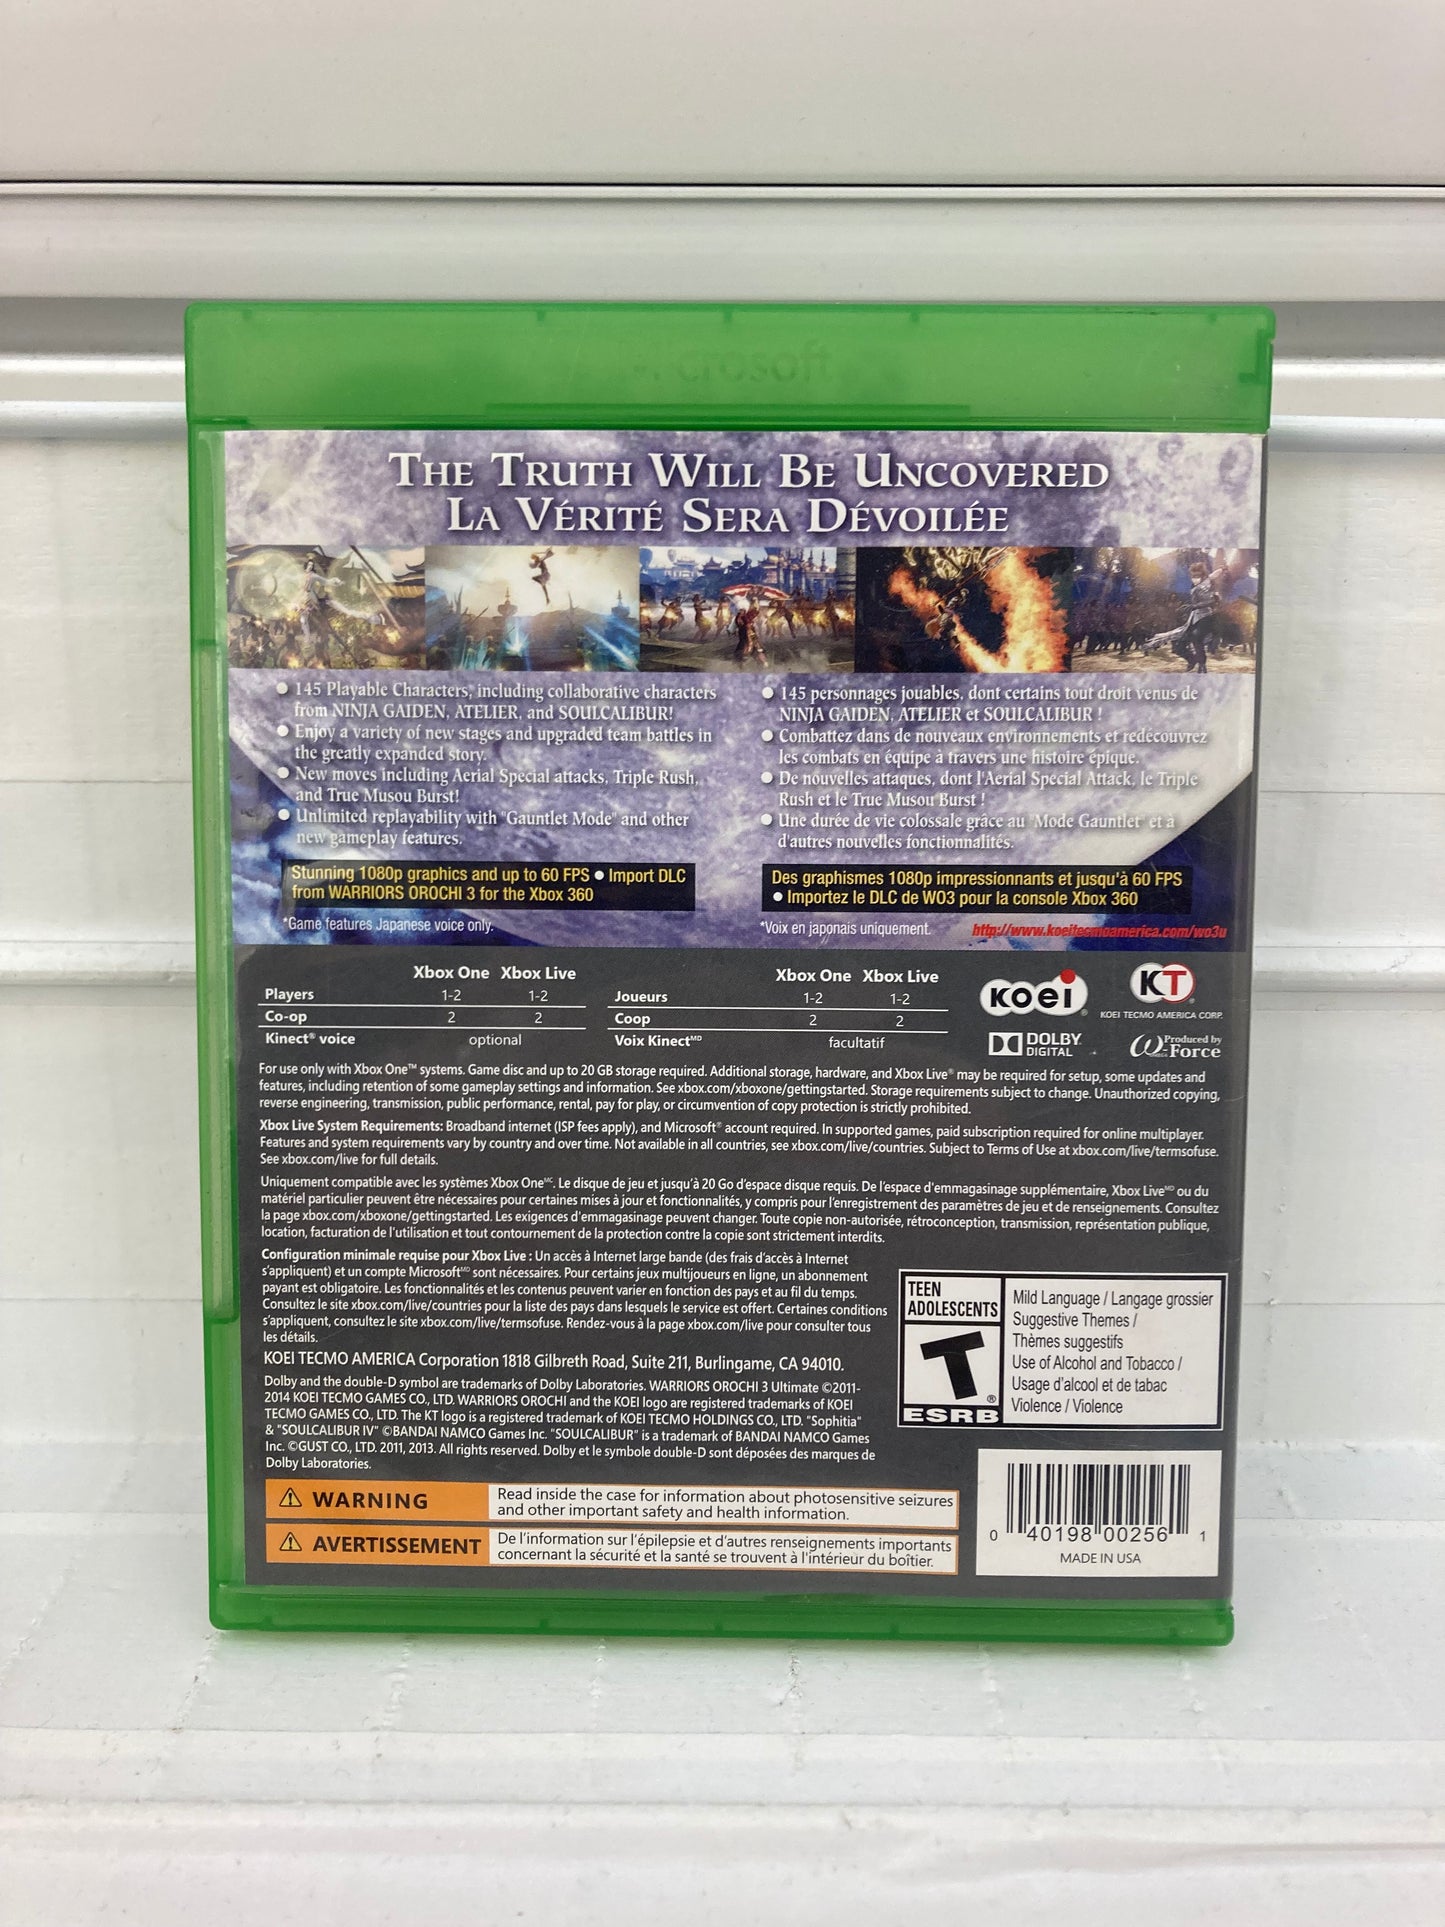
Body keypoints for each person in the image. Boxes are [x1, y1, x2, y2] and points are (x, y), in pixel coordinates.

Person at [1150, 558, 1226, 673]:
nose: (1195, 578)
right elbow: (1213, 575)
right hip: (1193, 618)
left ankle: (1202, 665)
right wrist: (1221, 569)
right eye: (1193, 576)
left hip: (1206, 618)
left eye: (1198, 576)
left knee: (1196, 638)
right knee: (1178, 645)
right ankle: (1192, 660)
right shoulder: (1199, 585)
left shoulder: (1207, 585)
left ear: (1202, 576)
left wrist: (1194, 606)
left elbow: (1212, 601)